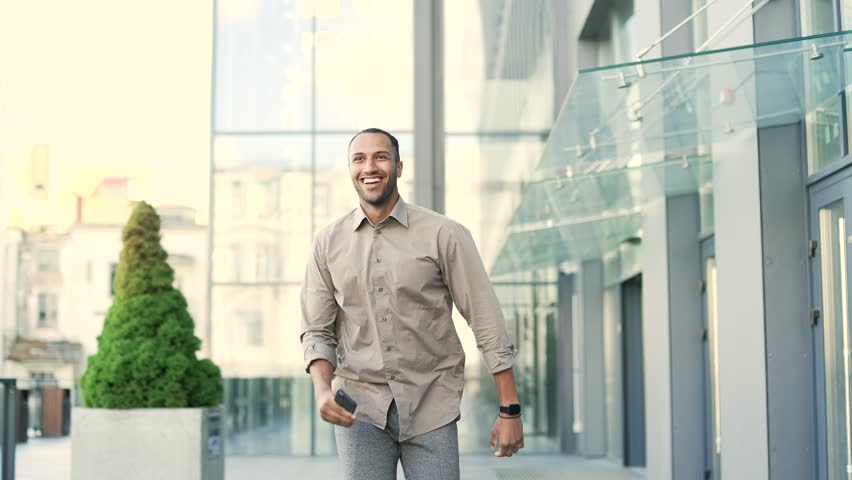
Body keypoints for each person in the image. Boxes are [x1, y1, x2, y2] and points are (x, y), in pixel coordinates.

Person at [300, 128, 523, 480]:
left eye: (380, 157)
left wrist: (509, 410)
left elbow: (485, 318)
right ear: (349, 169)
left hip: (431, 404)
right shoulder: (327, 243)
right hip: (360, 409)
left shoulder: (444, 234)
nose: (369, 167)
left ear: (399, 167)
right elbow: (317, 329)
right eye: (359, 158)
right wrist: (323, 390)